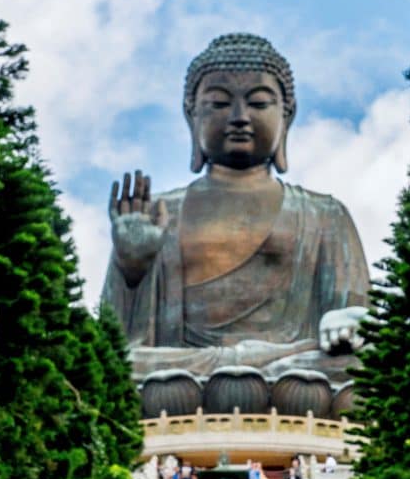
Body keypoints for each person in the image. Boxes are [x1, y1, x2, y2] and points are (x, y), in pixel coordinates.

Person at [103, 33, 371, 383]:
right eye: (218, 104)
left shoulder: (324, 214)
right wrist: (131, 270)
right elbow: (110, 343)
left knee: (367, 365)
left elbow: (360, 319)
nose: (240, 117)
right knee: (116, 369)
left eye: (259, 104)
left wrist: (349, 321)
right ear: (191, 115)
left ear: (286, 116)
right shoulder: (159, 213)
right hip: (181, 370)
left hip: (293, 366)